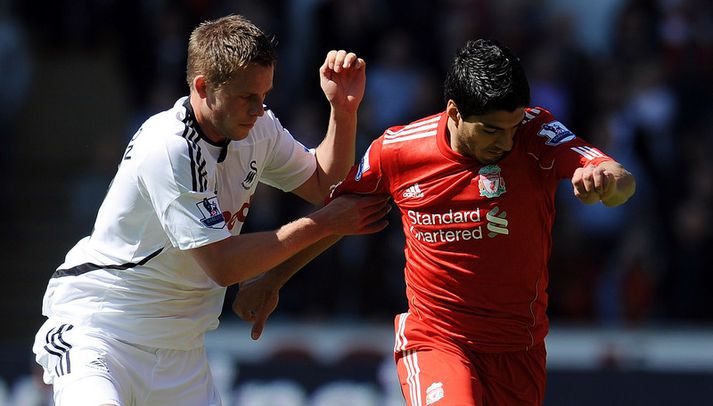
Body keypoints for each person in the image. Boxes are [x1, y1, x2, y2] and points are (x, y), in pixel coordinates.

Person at [234, 39, 636, 405]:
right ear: (455, 113)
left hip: (518, 349)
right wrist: (273, 279)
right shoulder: (398, 150)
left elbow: (619, 180)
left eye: (513, 128)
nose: (506, 142)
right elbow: (339, 219)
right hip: (436, 341)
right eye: (492, 131)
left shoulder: (534, 132)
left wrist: (604, 181)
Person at [32, 14, 390, 406]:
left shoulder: (258, 127)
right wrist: (321, 224)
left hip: (181, 351)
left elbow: (325, 184)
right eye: (246, 97)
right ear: (203, 87)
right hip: (100, 331)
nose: (259, 109)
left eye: (265, 95)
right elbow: (223, 264)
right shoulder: (169, 147)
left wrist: (343, 111)